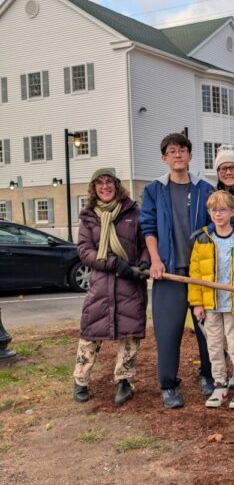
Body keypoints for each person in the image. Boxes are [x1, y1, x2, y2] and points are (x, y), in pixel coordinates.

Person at [139, 132, 215, 409]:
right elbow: (148, 227)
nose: (178, 155)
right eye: (172, 151)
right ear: (164, 158)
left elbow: (214, 226)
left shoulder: (205, 190)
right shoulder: (154, 190)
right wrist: (155, 260)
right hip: (168, 272)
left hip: (200, 274)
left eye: (182, 150)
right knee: (168, 332)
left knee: (208, 330)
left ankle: (210, 375)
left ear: (190, 155)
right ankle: (169, 385)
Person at [73, 168, 149, 405]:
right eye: (100, 183)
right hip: (101, 283)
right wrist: (114, 263)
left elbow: (145, 242)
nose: (104, 186)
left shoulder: (133, 212)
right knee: (90, 333)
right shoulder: (88, 217)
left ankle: (124, 381)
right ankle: (80, 380)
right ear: (93, 188)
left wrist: (145, 262)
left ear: (116, 185)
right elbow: (85, 251)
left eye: (109, 182)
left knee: (130, 333)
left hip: (130, 283)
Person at [188, 190, 234, 409]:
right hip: (210, 304)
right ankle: (220, 385)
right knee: (214, 346)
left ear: (232, 212)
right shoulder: (202, 239)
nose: (218, 214)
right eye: (213, 210)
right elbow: (195, 274)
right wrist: (197, 303)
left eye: (222, 210)